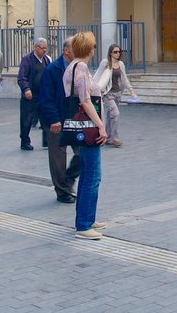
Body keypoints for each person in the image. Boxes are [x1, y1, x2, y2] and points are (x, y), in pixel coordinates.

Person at [63, 31, 108, 239]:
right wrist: (100, 125)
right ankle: (83, 224)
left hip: (82, 126)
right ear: (88, 48)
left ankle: (87, 217)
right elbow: (85, 99)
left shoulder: (74, 67)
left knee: (88, 174)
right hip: (87, 127)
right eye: (93, 45)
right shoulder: (79, 67)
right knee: (93, 175)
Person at [38, 39, 81, 203]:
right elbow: (46, 98)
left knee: (82, 152)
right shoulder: (52, 69)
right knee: (58, 157)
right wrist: (54, 119)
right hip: (56, 119)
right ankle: (62, 192)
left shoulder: (79, 67)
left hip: (74, 118)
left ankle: (68, 180)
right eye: (74, 48)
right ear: (66, 50)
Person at [93, 43, 136, 148]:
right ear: (110, 53)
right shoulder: (105, 63)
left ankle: (107, 137)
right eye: (115, 52)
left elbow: (124, 78)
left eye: (119, 52)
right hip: (108, 94)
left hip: (117, 93)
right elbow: (98, 75)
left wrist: (131, 90)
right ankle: (115, 138)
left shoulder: (121, 64)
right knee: (115, 113)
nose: (118, 54)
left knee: (110, 115)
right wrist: (93, 88)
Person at [16, 38, 50, 150]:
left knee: (46, 118)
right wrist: (26, 89)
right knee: (26, 119)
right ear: (35, 48)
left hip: (43, 95)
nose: (44, 50)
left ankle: (47, 141)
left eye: (46, 48)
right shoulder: (27, 60)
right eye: (42, 48)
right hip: (30, 95)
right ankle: (25, 142)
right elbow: (21, 77)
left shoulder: (46, 60)